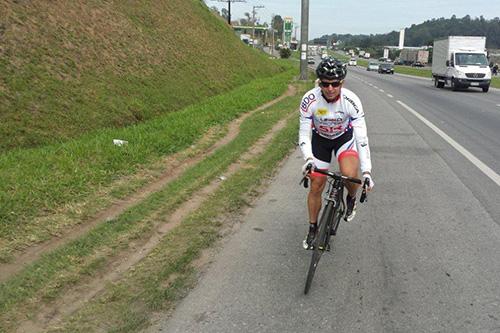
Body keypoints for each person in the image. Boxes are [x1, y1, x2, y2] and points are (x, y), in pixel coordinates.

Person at [299, 57, 374, 249]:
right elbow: (304, 134)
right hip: (320, 141)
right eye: (325, 83)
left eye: (335, 84)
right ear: (319, 82)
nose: (330, 88)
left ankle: (350, 198)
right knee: (316, 184)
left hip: (343, 139)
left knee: (350, 175)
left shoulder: (351, 101)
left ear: (342, 82)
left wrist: (366, 172)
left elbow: (362, 139)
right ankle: (313, 227)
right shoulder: (310, 100)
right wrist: (308, 158)